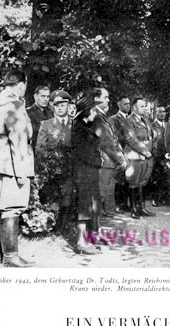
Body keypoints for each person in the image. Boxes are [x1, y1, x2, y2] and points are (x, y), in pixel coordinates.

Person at [0, 70, 35, 267]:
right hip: (9, 163)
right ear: (21, 84)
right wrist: (21, 172)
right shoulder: (15, 105)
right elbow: (19, 140)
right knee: (12, 209)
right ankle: (11, 256)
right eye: (25, 85)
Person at [36, 90, 73, 232]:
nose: (60, 108)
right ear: (53, 107)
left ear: (68, 105)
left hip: (70, 169)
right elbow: (39, 148)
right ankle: (50, 226)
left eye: (63, 104)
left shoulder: (75, 124)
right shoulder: (46, 124)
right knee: (50, 198)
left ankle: (63, 228)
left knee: (68, 198)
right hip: (51, 171)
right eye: (56, 105)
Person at [71, 97, 103, 254]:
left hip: (90, 173)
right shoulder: (78, 128)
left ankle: (91, 238)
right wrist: (98, 162)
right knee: (84, 208)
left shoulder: (88, 125)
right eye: (94, 110)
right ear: (86, 111)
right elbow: (83, 153)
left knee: (92, 206)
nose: (96, 113)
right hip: (83, 173)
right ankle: (81, 242)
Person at [92, 88, 128, 218]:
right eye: (105, 97)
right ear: (96, 99)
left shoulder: (101, 116)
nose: (108, 100)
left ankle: (98, 224)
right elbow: (106, 143)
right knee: (100, 194)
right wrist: (119, 159)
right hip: (104, 161)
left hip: (108, 161)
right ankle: (93, 229)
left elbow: (113, 139)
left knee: (105, 191)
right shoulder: (97, 116)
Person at [124, 98, 155, 219]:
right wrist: (145, 151)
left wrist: (150, 151)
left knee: (142, 182)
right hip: (135, 156)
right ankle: (134, 208)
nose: (145, 108)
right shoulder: (129, 120)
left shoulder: (146, 119)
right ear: (134, 108)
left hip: (146, 156)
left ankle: (141, 207)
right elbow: (131, 139)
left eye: (145, 106)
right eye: (142, 106)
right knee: (134, 182)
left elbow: (150, 136)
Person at [111, 96, 131, 212]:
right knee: (120, 179)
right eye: (125, 104)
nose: (128, 106)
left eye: (129, 104)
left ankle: (126, 203)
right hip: (121, 152)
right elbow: (115, 138)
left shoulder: (132, 119)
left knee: (129, 178)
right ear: (119, 105)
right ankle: (119, 204)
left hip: (132, 153)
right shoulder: (114, 119)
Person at [150, 106, 169, 206]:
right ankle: (155, 198)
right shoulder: (152, 125)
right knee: (156, 177)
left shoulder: (167, 125)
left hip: (167, 155)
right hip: (156, 155)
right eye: (160, 112)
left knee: (165, 176)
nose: (162, 114)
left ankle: (164, 198)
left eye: (164, 112)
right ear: (155, 113)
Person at [26, 86, 53, 150]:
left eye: (48, 97)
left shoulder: (51, 112)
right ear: (35, 96)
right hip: (35, 150)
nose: (46, 99)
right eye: (43, 96)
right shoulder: (28, 113)